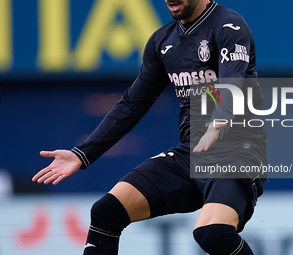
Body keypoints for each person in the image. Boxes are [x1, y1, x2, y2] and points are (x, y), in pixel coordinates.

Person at [32, 0, 267, 254]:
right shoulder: (162, 42)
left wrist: (217, 121)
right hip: (191, 155)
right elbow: (132, 104)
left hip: (236, 154)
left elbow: (234, 80)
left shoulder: (229, 26)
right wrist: (83, 153)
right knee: (106, 212)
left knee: (212, 234)